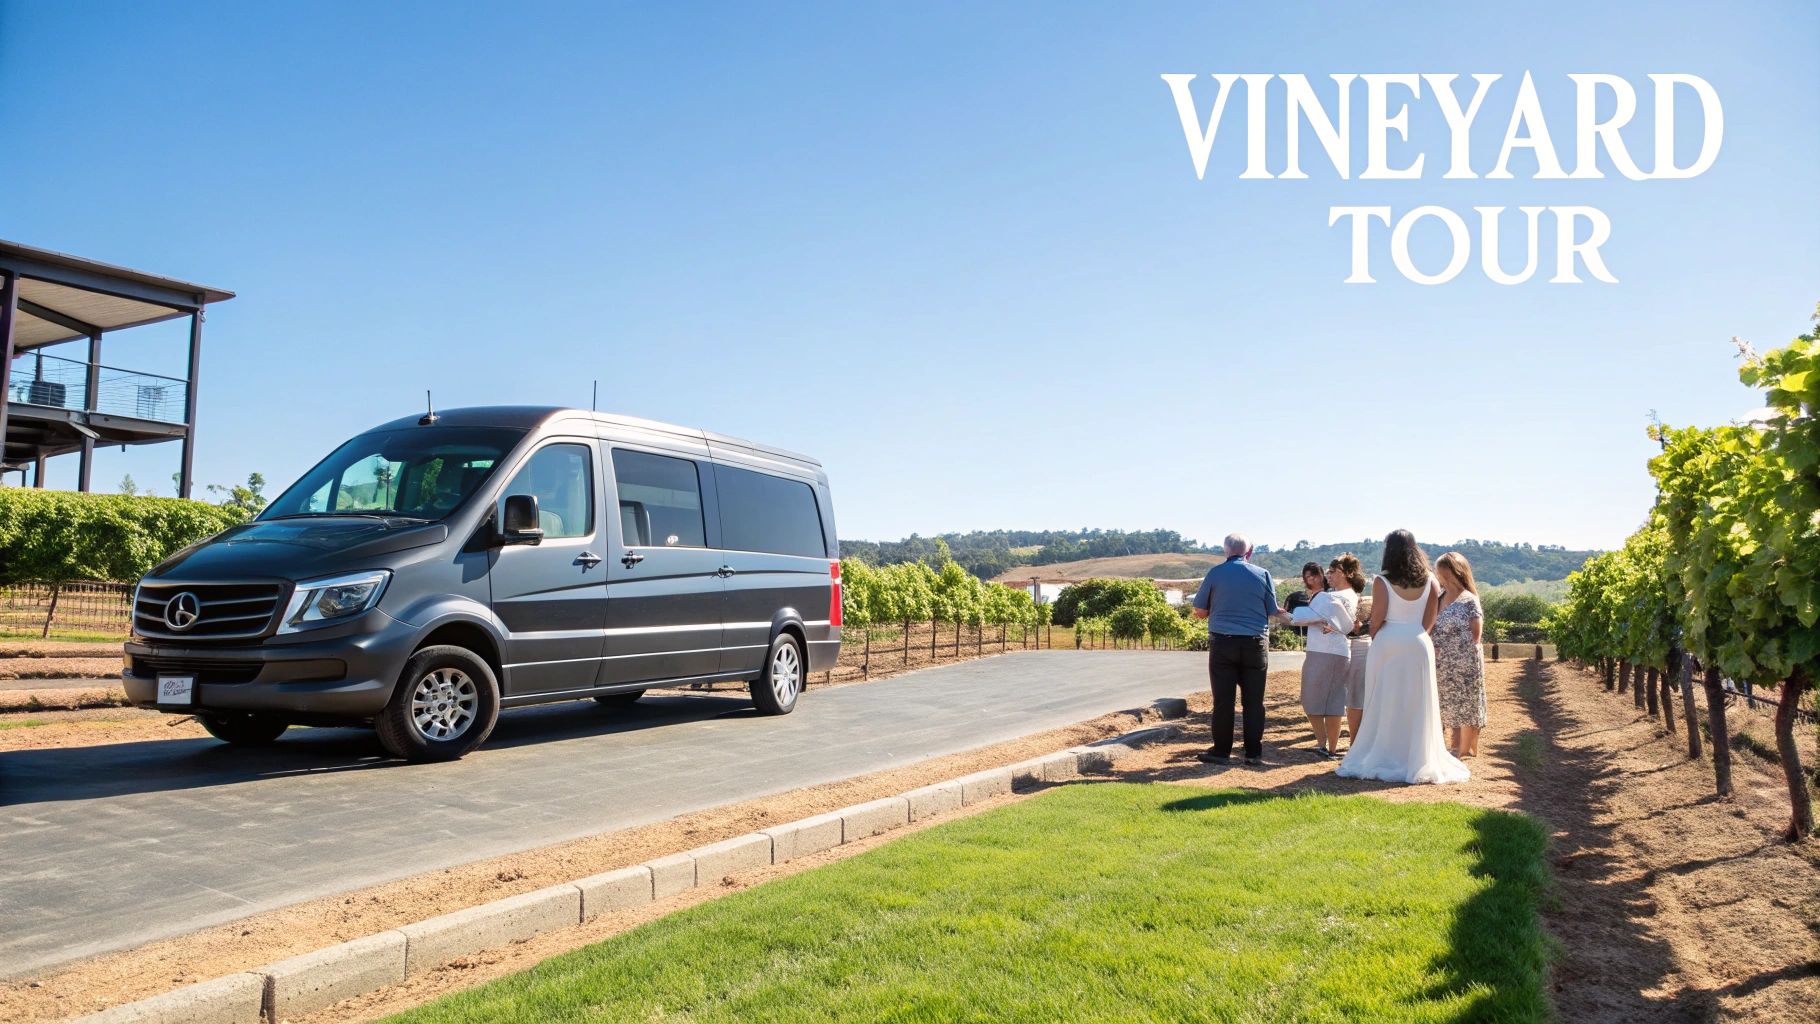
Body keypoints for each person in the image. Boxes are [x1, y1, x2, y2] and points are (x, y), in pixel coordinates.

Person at [1335, 530, 1470, 785]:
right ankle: (1415, 757)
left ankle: (1384, 752)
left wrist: (1383, 637)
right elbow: (1430, 619)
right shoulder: (1431, 580)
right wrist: (1415, 634)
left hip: (1388, 641)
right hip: (1418, 641)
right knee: (1417, 701)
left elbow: (1376, 620)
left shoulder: (1382, 581)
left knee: (1384, 699)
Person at [1191, 532, 1280, 766]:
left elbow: (1200, 610)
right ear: (1248, 552)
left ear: (1226, 550)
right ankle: (1253, 753)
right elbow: (1272, 610)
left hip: (1223, 642)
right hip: (1255, 643)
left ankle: (1221, 751)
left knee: (1223, 700)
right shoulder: (1263, 574)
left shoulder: (1215, 573)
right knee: (1253, 701)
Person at [1288, 555, 1362, 758]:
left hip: (1329, 652)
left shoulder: (1335, 597)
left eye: (1333, 572)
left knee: (1324, 699)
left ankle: (1327, 746)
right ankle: (1325, 745)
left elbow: (1304, 618)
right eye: (1328, 572)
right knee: (1324, 699)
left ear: (1347, 573)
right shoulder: (1337, 595)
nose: (1329, 576)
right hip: (1327, 650)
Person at [1433, 551, 1488, 757]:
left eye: (1441, 571)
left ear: (1454, 572)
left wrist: (1451, 647)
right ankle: (1446, 746)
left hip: (1464, 662)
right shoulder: (1438, 597)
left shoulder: (1469, 600)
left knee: (1464, 705)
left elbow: (1476, 635)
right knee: (1443, 704)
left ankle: (1462, 749)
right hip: (1440, 662)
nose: (1438, 575)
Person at [1344, 594, 1372, 743]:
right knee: (1355, 697)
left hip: (1363, 649)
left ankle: (1355, 741)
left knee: (1357, 697)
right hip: (1353, 648)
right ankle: (1355, 740)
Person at [1282, 561, 1327, 637]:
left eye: (1314, 575)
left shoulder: (1330, 595)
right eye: (1308, 577)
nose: (1312, 578)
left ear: (1321, 575)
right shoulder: (1296, 597)